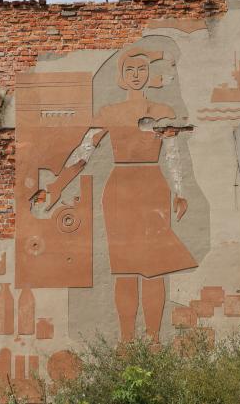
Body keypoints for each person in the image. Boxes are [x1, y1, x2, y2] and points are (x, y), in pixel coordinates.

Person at [94, 47, 198, 342]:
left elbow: (173, 153)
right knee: (125, 269)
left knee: (155, 268)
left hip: (153, 188)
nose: (136, 75)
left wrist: (180, 192)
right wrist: (57, 184)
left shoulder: (163, 112)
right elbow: (86, 147)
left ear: (149, 74)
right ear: (121, 76)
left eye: (141, 69)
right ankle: (126, 340)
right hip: (119, 190)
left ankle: (153, 340)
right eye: (130, 70)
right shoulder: (110, 112)